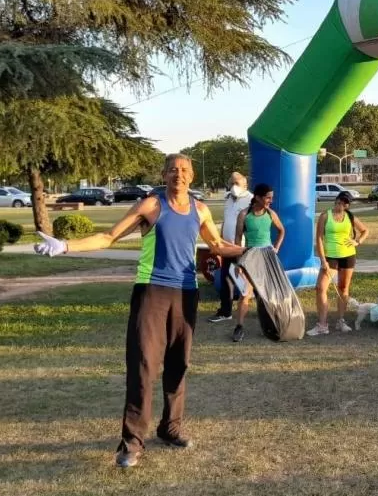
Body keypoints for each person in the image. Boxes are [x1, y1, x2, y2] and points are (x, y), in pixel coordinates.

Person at [33, 154, 245, 468]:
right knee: (143, 367)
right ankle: (132, 443)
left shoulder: (200, 209)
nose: (179, 174)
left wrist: (251, 250)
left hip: (186, 294)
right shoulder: (151, 205)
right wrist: (65, 246)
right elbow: (109, 237)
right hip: (152, 292)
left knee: (179, 364)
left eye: (184, 170)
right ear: (164, 174)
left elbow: (216, 246)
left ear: (192, 175)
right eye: (173, 170)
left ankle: (170, 428)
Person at [308, 191, 370, 336]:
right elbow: (319, 239)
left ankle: (341, 320)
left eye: (345, 202)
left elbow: (365, 230)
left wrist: (357, 242)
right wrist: (322, 259)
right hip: (330, 257)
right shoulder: (325, 216)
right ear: (336, 200)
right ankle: (322, 325)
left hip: (348, 255)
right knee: (320, 287)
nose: (341, 204)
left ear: (348, 205)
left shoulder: (349, 216)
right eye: (340, 201)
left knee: (343, 288)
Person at [230, 183, 285, 343]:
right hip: (250, 256)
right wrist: (238, 263)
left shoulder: (270, 213)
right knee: (245, 293)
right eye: (268, 197)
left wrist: (276, 248)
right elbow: (237, 240)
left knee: (269, 294)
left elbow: (282, 230)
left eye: (271, 197)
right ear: (258, 197)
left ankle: (272, 325)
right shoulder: (244, 214)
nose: (271, 200)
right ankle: (239, 327)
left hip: (268, 256)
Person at [208, 172, 253, 324]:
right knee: (226, 278)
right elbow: (227, 221)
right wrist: (220, 242)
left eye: (237, 183)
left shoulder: (251, 200)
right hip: (227, 247)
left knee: (250, 278)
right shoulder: (227, 199)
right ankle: (225, 311)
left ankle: (265, 308)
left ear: (245, 185)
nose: (234, 187)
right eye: (231, 183)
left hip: (243, 248)